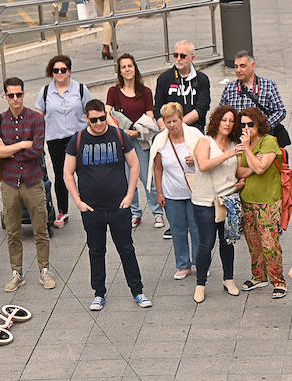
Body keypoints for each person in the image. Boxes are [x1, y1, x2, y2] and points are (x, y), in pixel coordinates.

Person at [65, 99, 151, 311]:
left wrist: (130, 195)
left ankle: (137, 291)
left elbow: (134, 164)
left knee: (126, 249)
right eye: (94, 120)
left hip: (119, 207)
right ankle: (99, 293)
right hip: (92, 209)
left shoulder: (119, 135)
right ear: (86, 118)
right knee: (96, 250)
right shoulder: (77, 140)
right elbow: (67, 173)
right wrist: (78, 202)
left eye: (103, 118)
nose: (99, 123)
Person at [0, 77, 56, 293]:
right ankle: (16, 272)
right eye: (11, 95)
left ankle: (44, 270)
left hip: (32, 180)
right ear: (5, 96)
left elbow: (36, 150)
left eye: (19, 94)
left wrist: (9, 149)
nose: (15, 99)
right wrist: (21, 145)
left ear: (24, 94)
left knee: (41, 227)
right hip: (9, 182)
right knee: (12, 230)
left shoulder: (36, 119)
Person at [107, 53, 164, 228]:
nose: (127, 69)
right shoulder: (113, 91)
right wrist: (120, 131)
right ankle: (134, 212)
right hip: (122, 141)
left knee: (148, 178)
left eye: (129, 66)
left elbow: (150, 116)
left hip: (140, 140)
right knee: (126, 179)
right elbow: (107, 113)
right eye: (123, 67)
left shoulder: (145, 91)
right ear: (120, 71)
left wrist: (135, 132)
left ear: (135, 67)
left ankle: (157, 213)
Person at [192, 105, 241, 301]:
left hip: (228, 200)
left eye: (231, 120)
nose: (227, 124)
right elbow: (203, 165)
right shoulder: (205, 142)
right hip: (205, 202)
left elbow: (235, 172)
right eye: (224, 120)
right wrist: (229, 155)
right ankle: (200, 284)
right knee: (206, 244)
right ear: (216, 121)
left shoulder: (234, 144)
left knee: (227, 242)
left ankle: (228, 279)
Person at [234, 108, 285, 298]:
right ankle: (259, 276)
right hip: (247, 199)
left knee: (269, 243)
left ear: (258, 124)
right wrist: (254, 163)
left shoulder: (269, 141)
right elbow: (240, 171)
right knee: (253, 241)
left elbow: (261, 169)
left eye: (250, 124)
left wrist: (247, 150)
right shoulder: (243, 144)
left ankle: (278, 280)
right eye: (243, 124)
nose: (246, 128)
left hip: (268, 201)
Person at [34, 55, 89, 229]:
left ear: (69, 71)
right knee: (60, 175)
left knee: (84, 172)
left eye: (63, 70)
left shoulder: (80, 89)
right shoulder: (45, 92)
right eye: (55, 70)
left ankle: (87, 205)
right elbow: (38, 116)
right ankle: (62, 210)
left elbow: (91, 110)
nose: (59, 73)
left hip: (77, 137)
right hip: (55, 138)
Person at [150, 103, 203, 280]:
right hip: (172, 193)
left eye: (175, 121)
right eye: (168, 122)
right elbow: (158, 168)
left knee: (197, 230)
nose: (172, 125)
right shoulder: (160, 141)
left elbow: (207, 158)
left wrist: (194, 159)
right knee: (178, 230)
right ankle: (183, 265)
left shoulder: (195, 135)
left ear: (181, 119)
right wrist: (159, 192)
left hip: (194, 192)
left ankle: (200, 263)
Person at [220, 50, 288, 146]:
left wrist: (262, 127)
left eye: (242, 66)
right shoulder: (229, 88)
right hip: (238, 140)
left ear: (253, 65)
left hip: (262, 139)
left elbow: (280, 111)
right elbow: (222, 114)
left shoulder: (268, 85)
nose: (238, 70)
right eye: (236, 66)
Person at [154, 41, 211, 128]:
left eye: (183, 56)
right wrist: (165, 128)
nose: (179, 59)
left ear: (192, 58)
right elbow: (157, 108)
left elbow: (202, 108)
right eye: (176, 55)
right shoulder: (164, 79)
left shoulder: (202, 79)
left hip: (194, 129)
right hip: (169, 129)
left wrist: (179, 125)